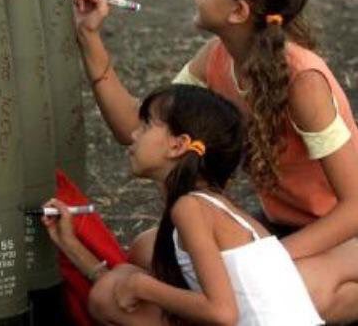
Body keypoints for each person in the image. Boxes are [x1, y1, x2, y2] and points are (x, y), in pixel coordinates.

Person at [71, 0, 358, 322]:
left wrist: (264, 260)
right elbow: (135, 127)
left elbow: (354, 208)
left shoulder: (304, 81)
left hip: (342, 237)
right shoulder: (218, 57)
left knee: (277, 294)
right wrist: (89, 36)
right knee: (147, 251)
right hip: (276, 227)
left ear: (238, 11)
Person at [44, 84, 324, 325]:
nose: (134, 134)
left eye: (146, 125)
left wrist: (142, 286)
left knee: (114, 288)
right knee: (119, 280)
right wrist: (73, 247)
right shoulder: (214, 207)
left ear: (178, 146)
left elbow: (222, 313)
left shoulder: (190, 209)